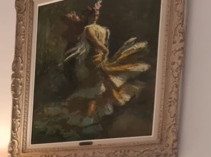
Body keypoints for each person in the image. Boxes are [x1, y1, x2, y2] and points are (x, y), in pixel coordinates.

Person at [61, 0, 150, 128]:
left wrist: (105, 51)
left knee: (95, 88)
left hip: (93, 61)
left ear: (87, 17)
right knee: (100, 86)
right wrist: (104, 54)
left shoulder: (88, 29)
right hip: (99, 59)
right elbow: (103, 44)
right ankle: (98, 114)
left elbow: (98, 44)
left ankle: (90, 118)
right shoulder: (104, 29)